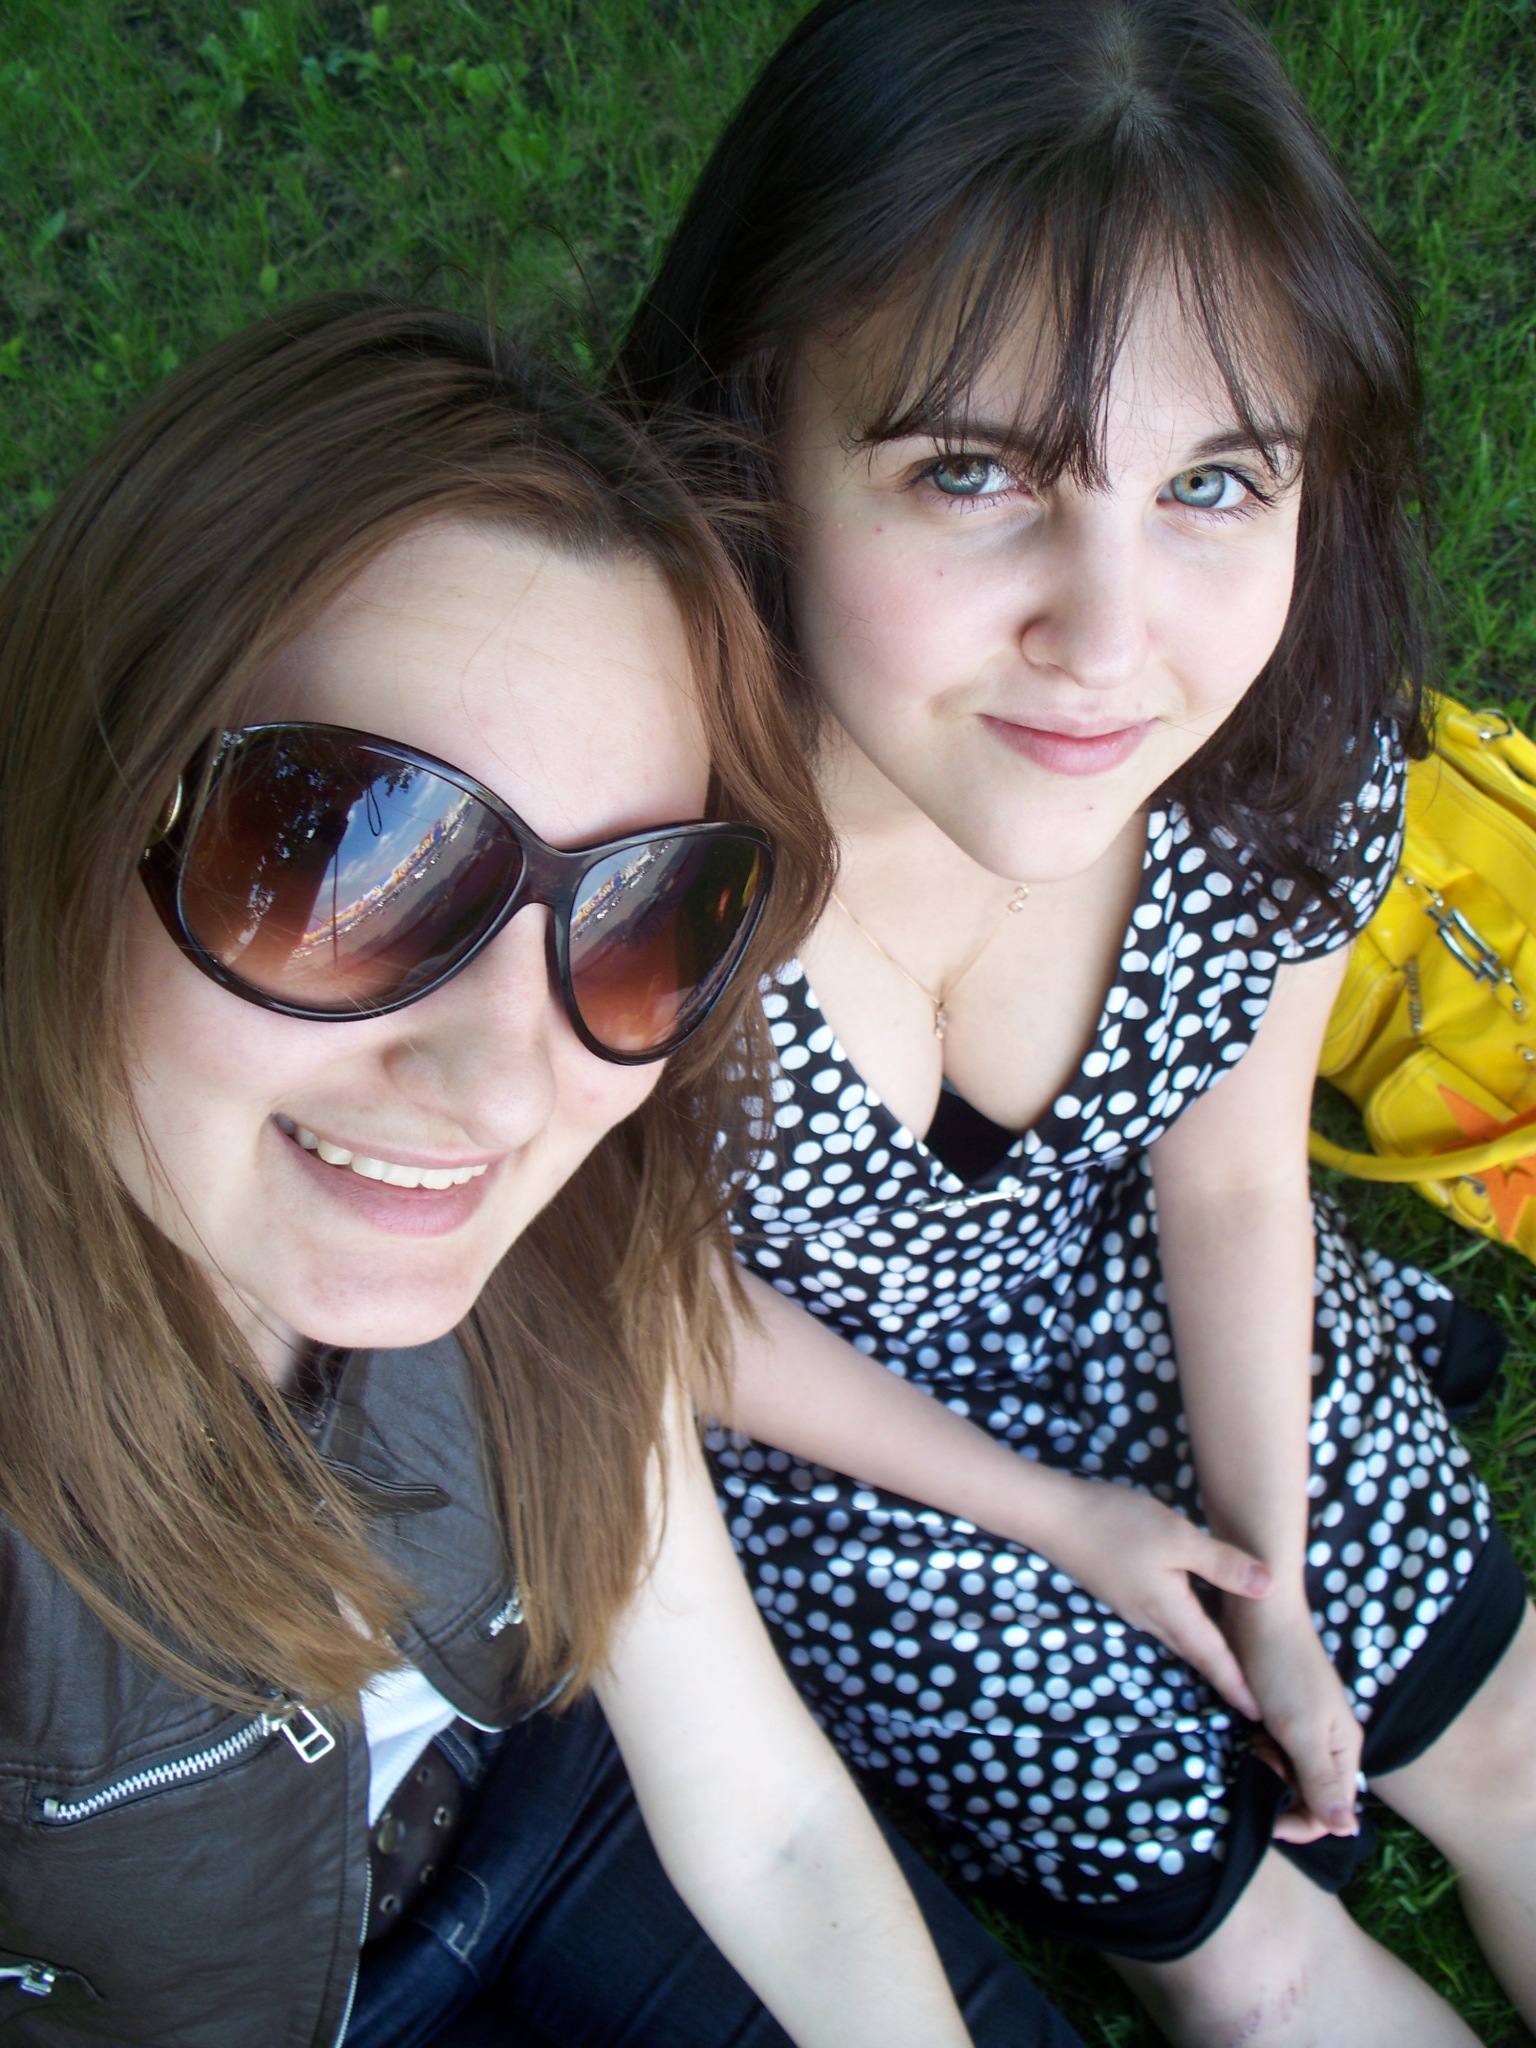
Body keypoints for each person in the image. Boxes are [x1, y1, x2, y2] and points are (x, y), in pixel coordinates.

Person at [0, 297, 1084, 2048]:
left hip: (552, 1810)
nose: (509, 1082)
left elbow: (773, 1827)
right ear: (72, 800)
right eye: (341, 861)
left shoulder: (573, 1250)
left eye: (644, 911)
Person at [617, 1, 1536, 2040]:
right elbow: (652, 1303)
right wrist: (1063, 1521)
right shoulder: (623, 849)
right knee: (1260, 1960)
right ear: (751, 438)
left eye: (1212, 482)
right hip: (832, 1451)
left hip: (1154, 1283)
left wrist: (1267, 1572)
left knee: (1501, 1739)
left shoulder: (1281, 763)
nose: (1110, 642)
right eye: (972, 472)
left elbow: (1232, 1180)